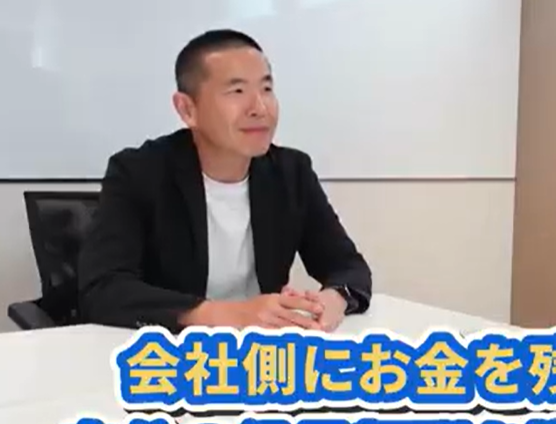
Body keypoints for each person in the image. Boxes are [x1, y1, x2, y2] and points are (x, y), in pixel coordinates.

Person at [78, 29, 373, 333]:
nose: (260, 108)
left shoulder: (291, 172)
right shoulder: (139, 172)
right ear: (187, 109)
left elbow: (348, 267)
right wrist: (223, 314)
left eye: (267, 88)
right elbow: (103, 289)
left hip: (257, 350)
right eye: (237, 91)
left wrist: (333, 299)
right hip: (167, 350)